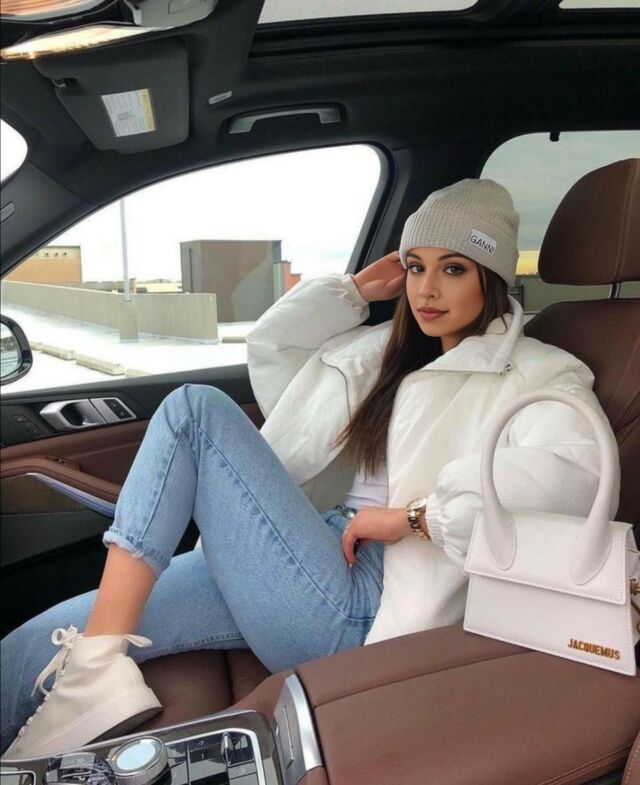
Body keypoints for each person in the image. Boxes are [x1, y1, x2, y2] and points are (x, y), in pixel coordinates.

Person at [0, 179, 620, 759]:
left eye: (453, 269)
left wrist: (415, 517)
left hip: (371, 604)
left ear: (493, 278)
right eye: (416, 267)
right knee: (31, 649)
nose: (426, 290)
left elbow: (575, 476)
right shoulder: (384, 353)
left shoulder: (537, 372)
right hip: (306, 555)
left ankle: (96, 673)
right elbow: (275, 354)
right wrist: (353, 293)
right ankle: (91, 674)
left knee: (193, 412)